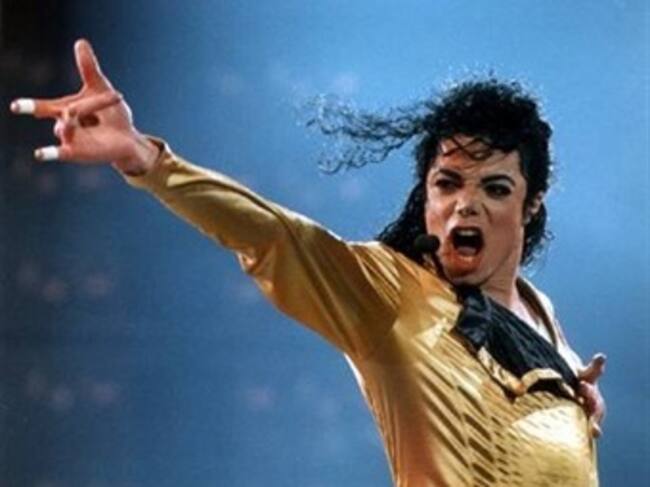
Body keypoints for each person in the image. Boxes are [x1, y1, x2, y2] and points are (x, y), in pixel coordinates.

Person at [12, 39, 606, 486]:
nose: (464, 204)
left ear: (531, 205)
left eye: (495, 188)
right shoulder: (392, 294)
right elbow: (277, 237)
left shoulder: (540, 316)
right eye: (447, 183)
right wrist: (147, 160)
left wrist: (575, 419)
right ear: (425, 197)